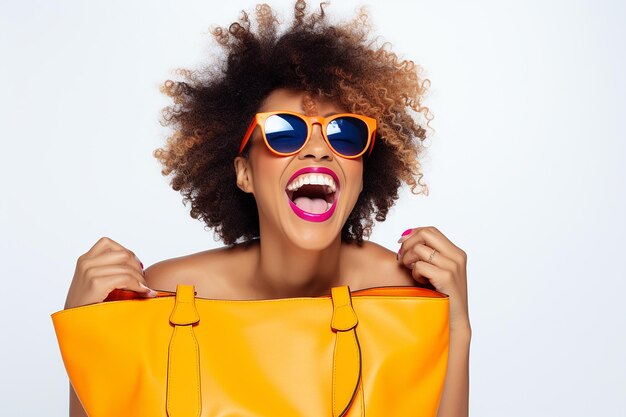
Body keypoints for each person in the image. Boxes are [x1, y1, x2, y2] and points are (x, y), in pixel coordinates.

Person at [63, 1, 471, 416]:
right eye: (283, 131)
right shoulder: (165, 291)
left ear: (364, 170)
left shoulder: (402, 293)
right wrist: (86, 332)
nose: (317, 149)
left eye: (344, 134)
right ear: (244, 173)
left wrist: (455, 327)